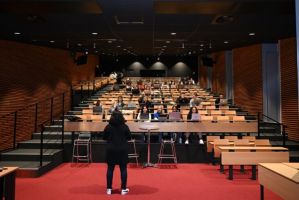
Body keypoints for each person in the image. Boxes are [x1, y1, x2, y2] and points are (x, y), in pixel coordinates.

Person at [103, 111, 132, 195]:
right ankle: (123, 189)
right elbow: (129, 138)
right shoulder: (125, 126)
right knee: (123, 169)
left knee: (110, 169)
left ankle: (109, 189)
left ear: (112, 117)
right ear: (121, 117)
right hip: (122, 149)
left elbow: (104, 137)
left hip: (111, 149)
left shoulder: (108, 126)